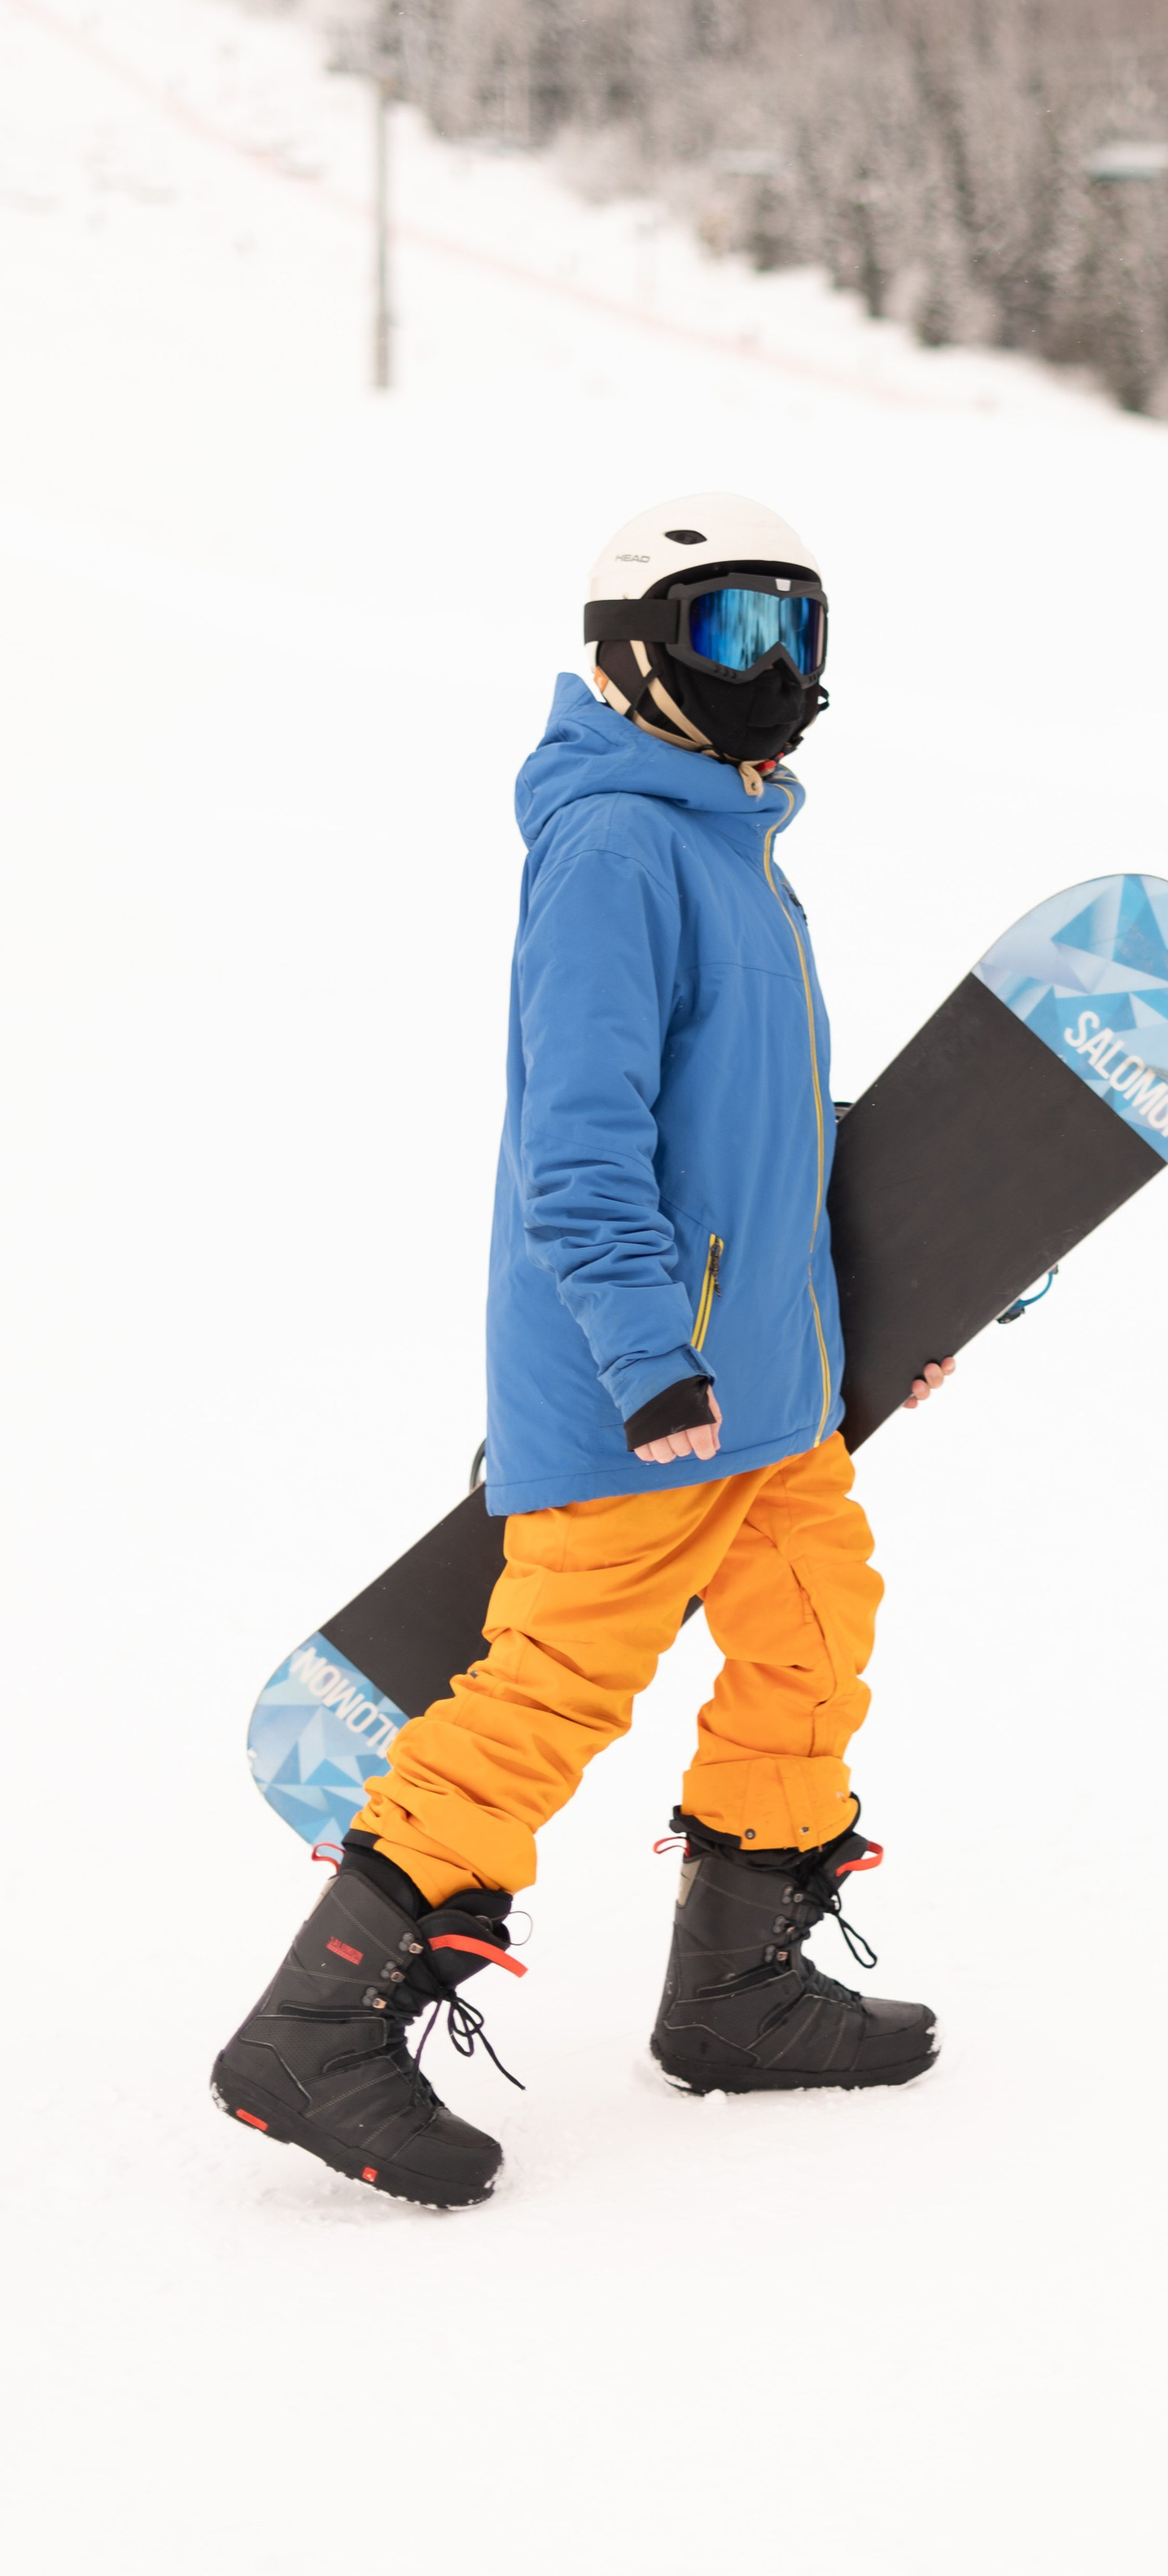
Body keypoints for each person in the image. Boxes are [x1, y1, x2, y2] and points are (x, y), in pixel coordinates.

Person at [212, 494, 951, 2207]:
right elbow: (582, 1133)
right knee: (551, 1690)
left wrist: (902, 1286)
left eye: (794, 631)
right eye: (724, 630)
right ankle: (313, 2030)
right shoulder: (618, 847)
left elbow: (752, 1134)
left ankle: (736, 1986)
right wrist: (645, 1355)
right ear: (630, 657)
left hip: (761, 1382)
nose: (767, 670)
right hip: (650, 1390)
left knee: (811, 1636)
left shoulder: (736, 847)